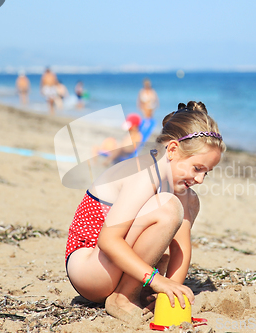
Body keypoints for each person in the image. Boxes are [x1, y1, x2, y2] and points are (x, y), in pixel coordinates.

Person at [65, 101, 226, 324]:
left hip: (114, 267)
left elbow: (181, 251)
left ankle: (130, 292)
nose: (199, 179)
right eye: (197, 168)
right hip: (90, 268)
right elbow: (108, 240)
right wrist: (156, 280)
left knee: (171, 232)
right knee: (167, 207)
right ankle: (122, 297)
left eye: (206, 173)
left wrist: (168, 293)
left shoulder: (187, 198)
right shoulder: (144, 174)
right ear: (172, 150)